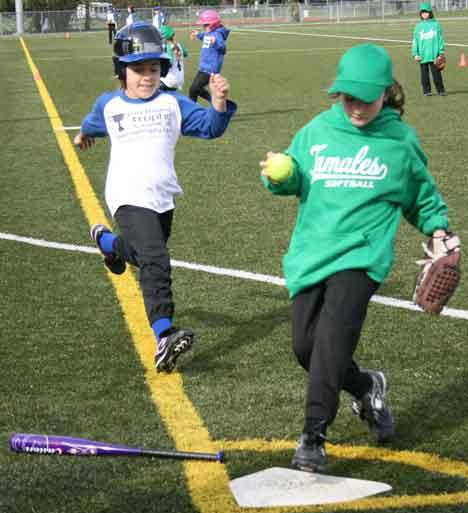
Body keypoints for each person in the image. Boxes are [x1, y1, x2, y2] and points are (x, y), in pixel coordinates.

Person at [260, 43, 453, 472]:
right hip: (312, 254)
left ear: (386, 92)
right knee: (305, 348)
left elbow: (421, 196)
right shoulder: (316, 131)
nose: (356, 107)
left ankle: (313, 436)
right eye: (348, 98)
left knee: (330, 339)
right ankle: (367, 386)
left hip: (362, 257)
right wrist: (283, 176)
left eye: (365, 98)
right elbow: (291, 178)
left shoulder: (399, 141)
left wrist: (439, 230)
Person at [74, 22, 237, 374]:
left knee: (142, 255)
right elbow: (91, 123)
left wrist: (219, 104)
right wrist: (83, 135)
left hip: (163, 197)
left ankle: (107, 242)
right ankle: (164, 334)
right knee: (156, 259)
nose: (146, 77)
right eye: (138, 69)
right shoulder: (109, 105)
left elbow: (210, 127)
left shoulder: (172, 103)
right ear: (121, 71)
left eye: (153, 69)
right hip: (127, 195)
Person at [189, 10, 230, 104]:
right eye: (203, 25)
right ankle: (215, 101)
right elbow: (205, 36)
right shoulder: (209, 33)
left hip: (210, 69)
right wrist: (197, 34)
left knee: (193, 89)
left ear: (213, 24)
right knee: (196, 89)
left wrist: (215, 42)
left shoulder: (217, 35)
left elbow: (223, 49)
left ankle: (191, 110)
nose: (204, 27)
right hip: (203, 67)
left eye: (206, 25)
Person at [412, 2, 447, 96]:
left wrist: (441, 52)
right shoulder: (418, 26)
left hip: (434, 55)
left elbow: (440, 39)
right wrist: (415, 54)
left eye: (426, 12)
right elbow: (415, 41)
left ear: (430, 13)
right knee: (424, 75)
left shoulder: (436, 25)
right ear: (420, 14)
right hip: (422, 56)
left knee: (436, 74)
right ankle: (427, 91)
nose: (424, 14)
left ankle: (441, 90)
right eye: (422, 12)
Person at [160, 25, 188, 91]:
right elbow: (186, 53)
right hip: (180, 79)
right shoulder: (178, 45)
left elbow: (170, 63)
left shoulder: (168, 47)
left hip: (170, 80)